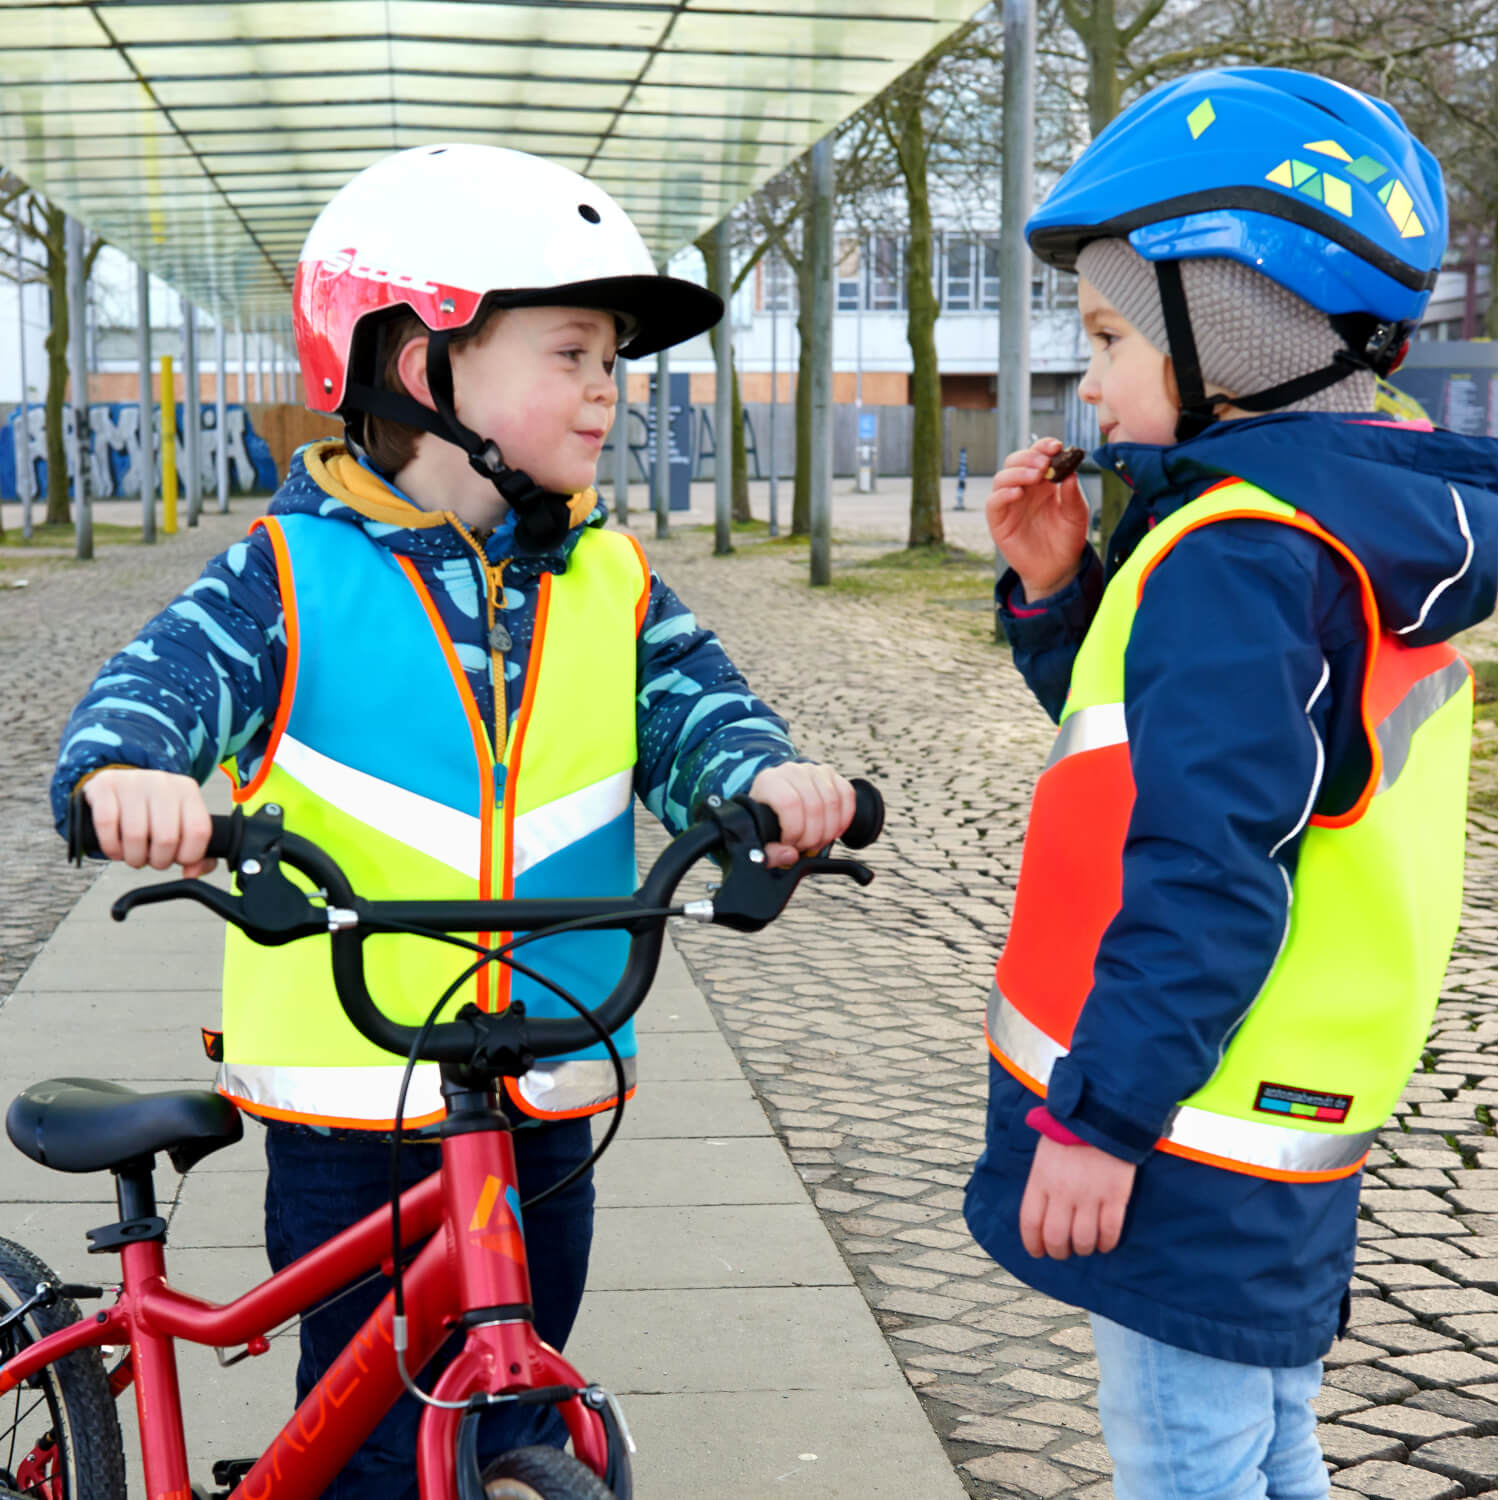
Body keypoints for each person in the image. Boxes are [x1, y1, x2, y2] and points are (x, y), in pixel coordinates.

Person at [52, 144, 856, 1497]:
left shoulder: (611, 576)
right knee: (370, 1446)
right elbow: (154, 692)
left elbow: (699, 716)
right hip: (363, 1103)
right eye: (573, 350)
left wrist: (768, 783)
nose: (610, 387)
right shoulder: (283, 575)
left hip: (545, 1073)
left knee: (508, 1403)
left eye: (616, 358)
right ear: (424, 369)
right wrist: (125, 776)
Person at [964, 68, 1497, 1497]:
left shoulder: (1238, 551)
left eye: (1111, 332)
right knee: (1267, 1446)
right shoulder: (1344, 517)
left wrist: (1102, 1118)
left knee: (1188, 1465)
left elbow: (1205, 858)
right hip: (1289, 1102)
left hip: (1182, 1109)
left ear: (1238, 318)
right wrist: (1058, 590)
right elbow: (1159, 757)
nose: (1088, 377)